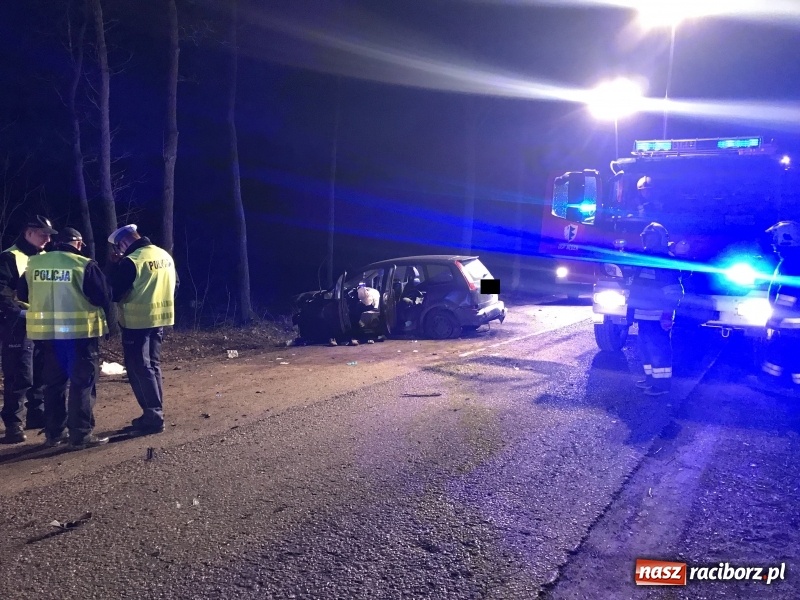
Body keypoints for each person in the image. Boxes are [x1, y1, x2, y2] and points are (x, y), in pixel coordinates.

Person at [20, 227, 111, 449]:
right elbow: (104, 295)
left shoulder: (34, 264)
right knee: (82, 383)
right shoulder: (83, 264)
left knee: (54, 384)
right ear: (78, 244)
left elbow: (22, 294)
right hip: (80, 335)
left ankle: (54, 434)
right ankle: (80, 434)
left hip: (47, 336)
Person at [108, 224, 176, 435]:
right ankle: (156, 411)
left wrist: (114, 267)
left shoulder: (132, 261)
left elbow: (114, 293)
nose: (119, 251)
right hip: (160, 319)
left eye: (119, 246)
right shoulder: (163, 254)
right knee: (153, 366)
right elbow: (177, 284)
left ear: (125, 242)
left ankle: (153, 416)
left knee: (139, 368)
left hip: (137, 323)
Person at [0, 215, 56, 443]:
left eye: (49, 235)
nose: (46, 239)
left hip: (43, 323)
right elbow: (2, 292)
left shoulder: (45, 257)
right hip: (18, 324)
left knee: (41, 371)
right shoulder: (10, 257)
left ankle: (37, 414)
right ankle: (13, 423)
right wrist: (17, 313)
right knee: (19, 374)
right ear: (28, 232)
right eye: (42, 234)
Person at [628, 222, 684, 396]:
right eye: (646, 237)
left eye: (652, 237)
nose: (648, 240)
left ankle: (661, 385)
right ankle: (651, 379)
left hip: (657, 315)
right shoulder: (645, 259)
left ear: (660, 239)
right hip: (643, 314)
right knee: (646, 347)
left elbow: (674, 292)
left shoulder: (664, 261)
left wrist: (667, 314)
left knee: (658, 348)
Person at [760, 221, 800, 391]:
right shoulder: (793, 258)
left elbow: (787, 295)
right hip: (792, 321)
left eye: (775, 237)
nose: (773, 242)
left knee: (781, 349)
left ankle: (770, 381)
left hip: (791, 321)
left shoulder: (791, 262)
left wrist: (774, 319)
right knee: (790, 351)